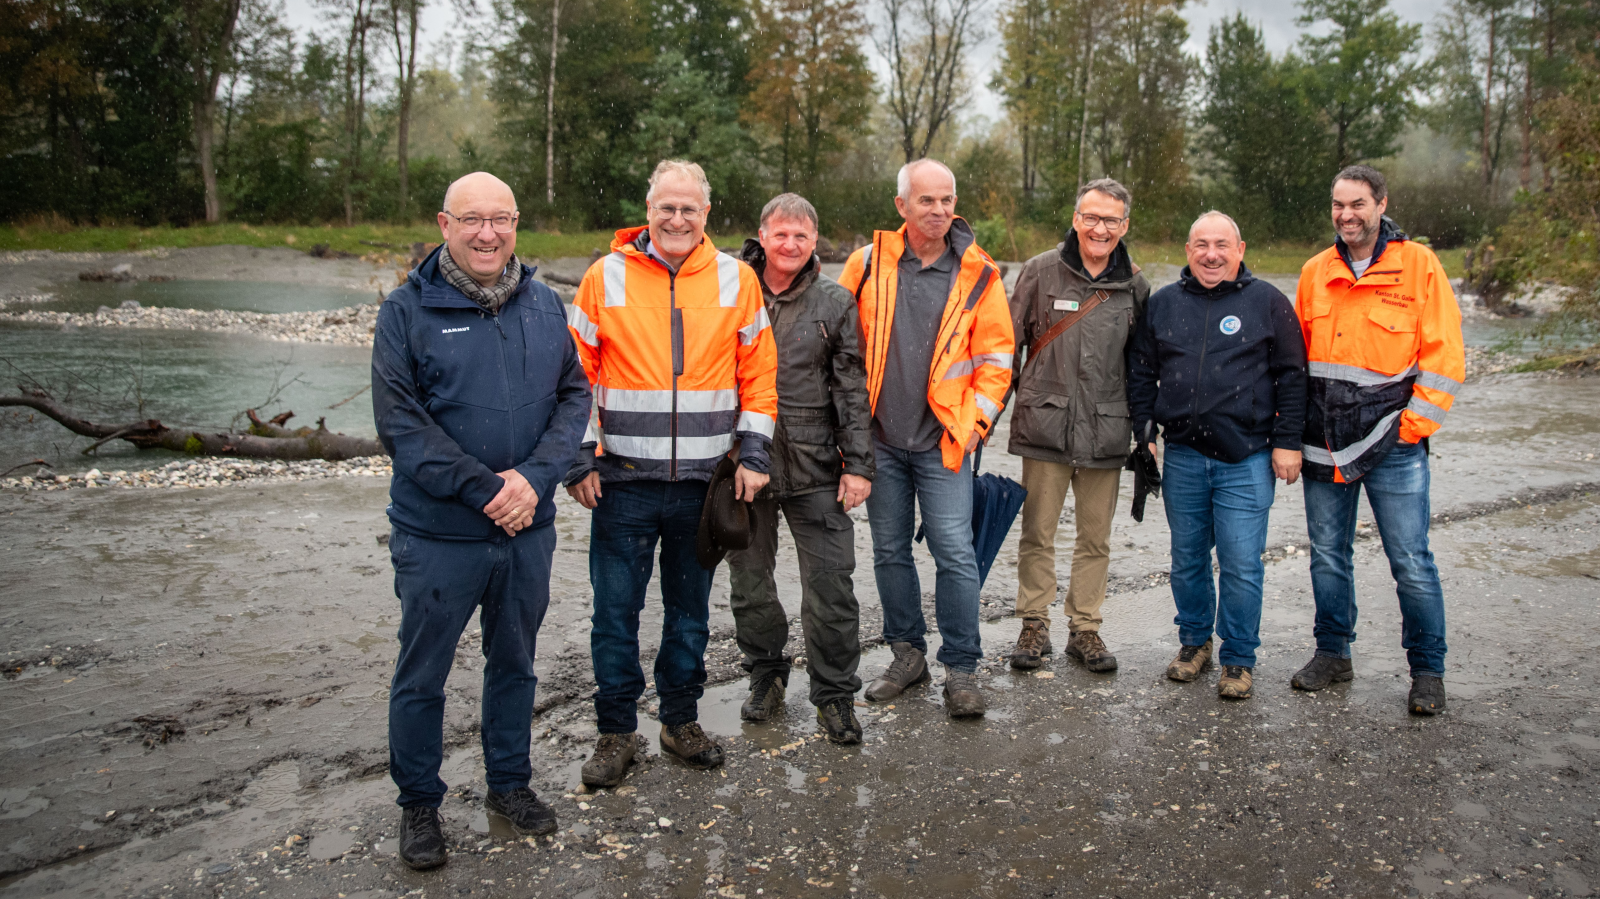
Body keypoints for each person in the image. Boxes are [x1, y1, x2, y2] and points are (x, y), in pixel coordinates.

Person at [372, 172, 592, 870]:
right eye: (472, 220)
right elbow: (401, 427)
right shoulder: (406, 311)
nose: (487, 233)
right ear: (444, 224)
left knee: (516, 664)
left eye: (500, 219)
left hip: (528, 527)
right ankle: (419, 805)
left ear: (517, 224)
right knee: (422, 674)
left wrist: (533, 478)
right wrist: (487, 490)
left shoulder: (544, 303)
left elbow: (574, 395)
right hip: (439, 536)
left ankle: (509, 784)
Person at [565, 159, 778, 785]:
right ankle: (615, 733)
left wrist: (755, 453)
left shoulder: (738, 280)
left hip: (702, 488)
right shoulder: (603, 278)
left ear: (706, 214)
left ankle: (679, 719)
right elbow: (573, 377)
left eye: (690, 208)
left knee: (689, 613)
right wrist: (580, 455)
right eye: (667, 207)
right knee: (615, 614)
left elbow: (759, 378)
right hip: (620, 483)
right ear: (648, 208)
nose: (677, 218)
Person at [838, 159, 1014, 718]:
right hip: (880, 442)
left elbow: (997, 363)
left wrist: (973, 426)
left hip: (946, 443)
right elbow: (840, 349)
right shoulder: (866, 265)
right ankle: (907, 654)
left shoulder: (979, 272)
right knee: (890, 553)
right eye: (926, 201)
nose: (938, 211)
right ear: (901, 206)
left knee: (956, 554)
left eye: (946, 201)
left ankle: (961, 667)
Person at [1290, 165, 1465, 715]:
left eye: (1358, 204)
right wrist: (1289, 433)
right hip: (1323, 440)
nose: (1347, 215)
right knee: (1327, 557)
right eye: (1339, 205)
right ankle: (1332, 653)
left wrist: (1410, 428)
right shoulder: (1314, 271)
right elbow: (1294, 363)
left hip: (1395, 443)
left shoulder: (1419, 266)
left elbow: (1444, 358)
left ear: (1381, 204)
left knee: (1410, 560)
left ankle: (1427, 671)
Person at [1129, 211, 1307, 700]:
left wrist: (1289, 442)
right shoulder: (1164, 304)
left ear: (1240, 249)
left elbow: (1293, 376)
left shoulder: (1268, 302)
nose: (1212, 254)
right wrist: (1144, 433)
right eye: (1202, 245)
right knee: (1186, 559)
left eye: (1222, 245)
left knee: (1241, 563)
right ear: (1188, 251)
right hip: (1183, 453)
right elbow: (1142, 372)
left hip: (1247, 457)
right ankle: (1193, 643)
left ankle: (1239, 658)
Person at [727, 193, 874, 743]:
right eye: (780, 234)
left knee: (832, 586)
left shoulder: (835, 302)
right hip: (745, 462)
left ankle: (835, 696)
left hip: (818, 465)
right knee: (749, 585)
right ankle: (766, 674)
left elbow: (851, 390)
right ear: (761, 236)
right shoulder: (729, 290)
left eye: (802, 236)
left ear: (816, 242)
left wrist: (858, 465)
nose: (790, 245)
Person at [1005, 178, 1150, 673]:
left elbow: (1142, 366)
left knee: (1095, 538)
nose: (1100, 228)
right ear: (1075, 219)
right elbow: (1007, 348)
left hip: (1107, 429)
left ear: (1125, 225)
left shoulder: (1135, 284)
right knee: (1037, 533)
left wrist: (1147, 433)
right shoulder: (1041, 271)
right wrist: (985, 414)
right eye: (1091, 217)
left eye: (1111, 220)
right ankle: (1033, 623)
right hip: (1044, 426)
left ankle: (1085, 628)